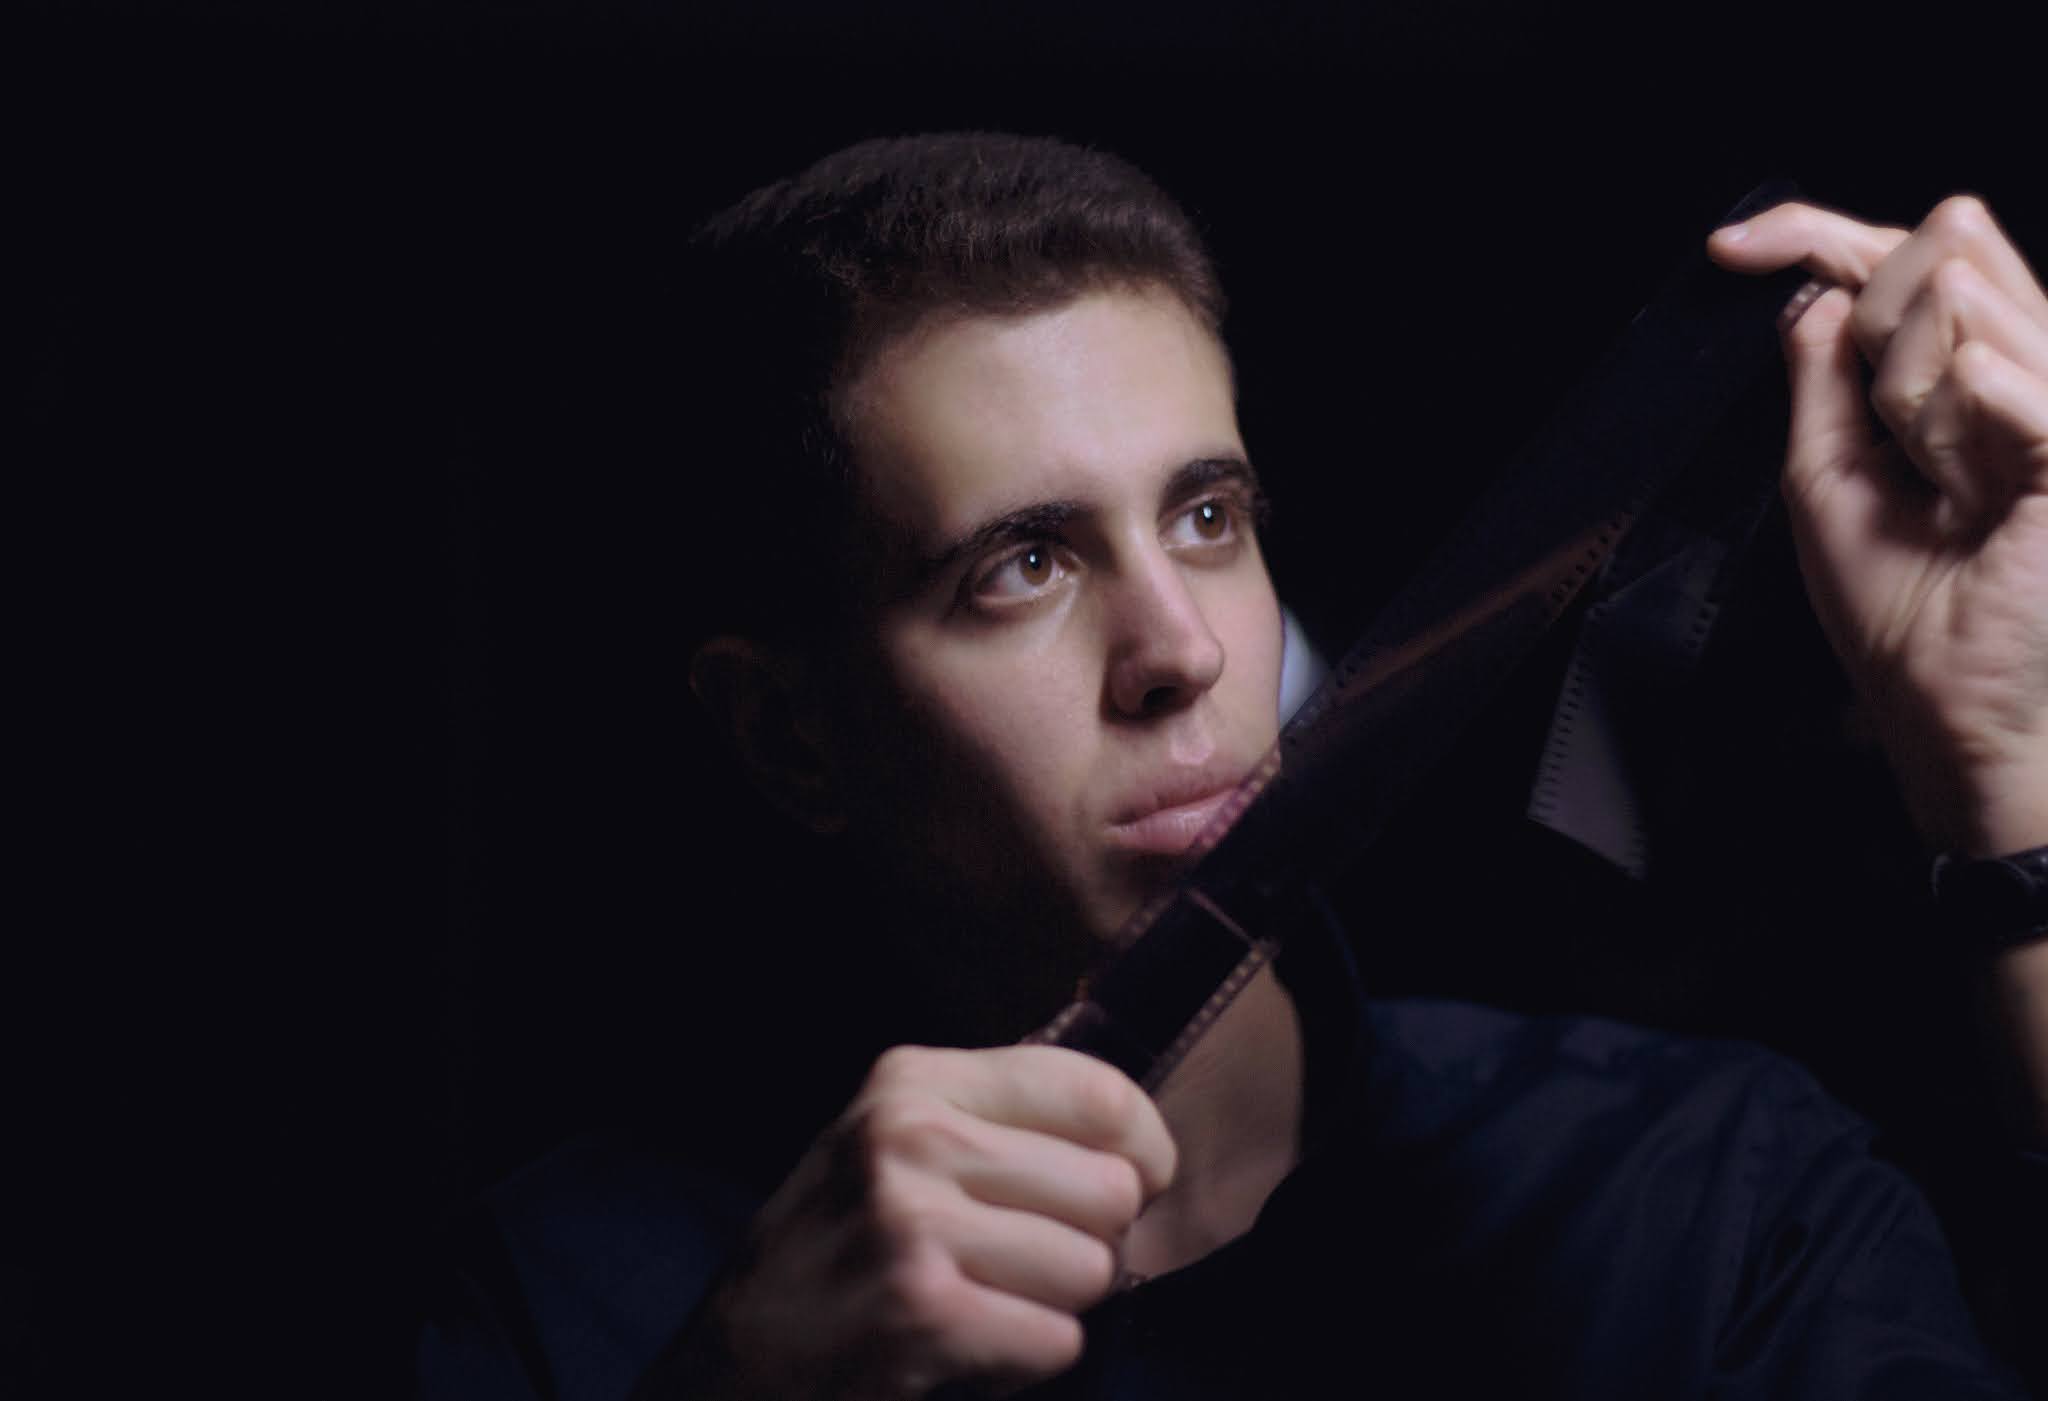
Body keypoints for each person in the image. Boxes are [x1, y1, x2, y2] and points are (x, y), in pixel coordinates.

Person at [420, 134, 2048, 1399]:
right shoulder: (574, 1298)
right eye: (1022, 566)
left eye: (1207, 517)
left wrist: (2015, 774)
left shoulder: (1707, 1195)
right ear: (789, 734)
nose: (1183, 649)